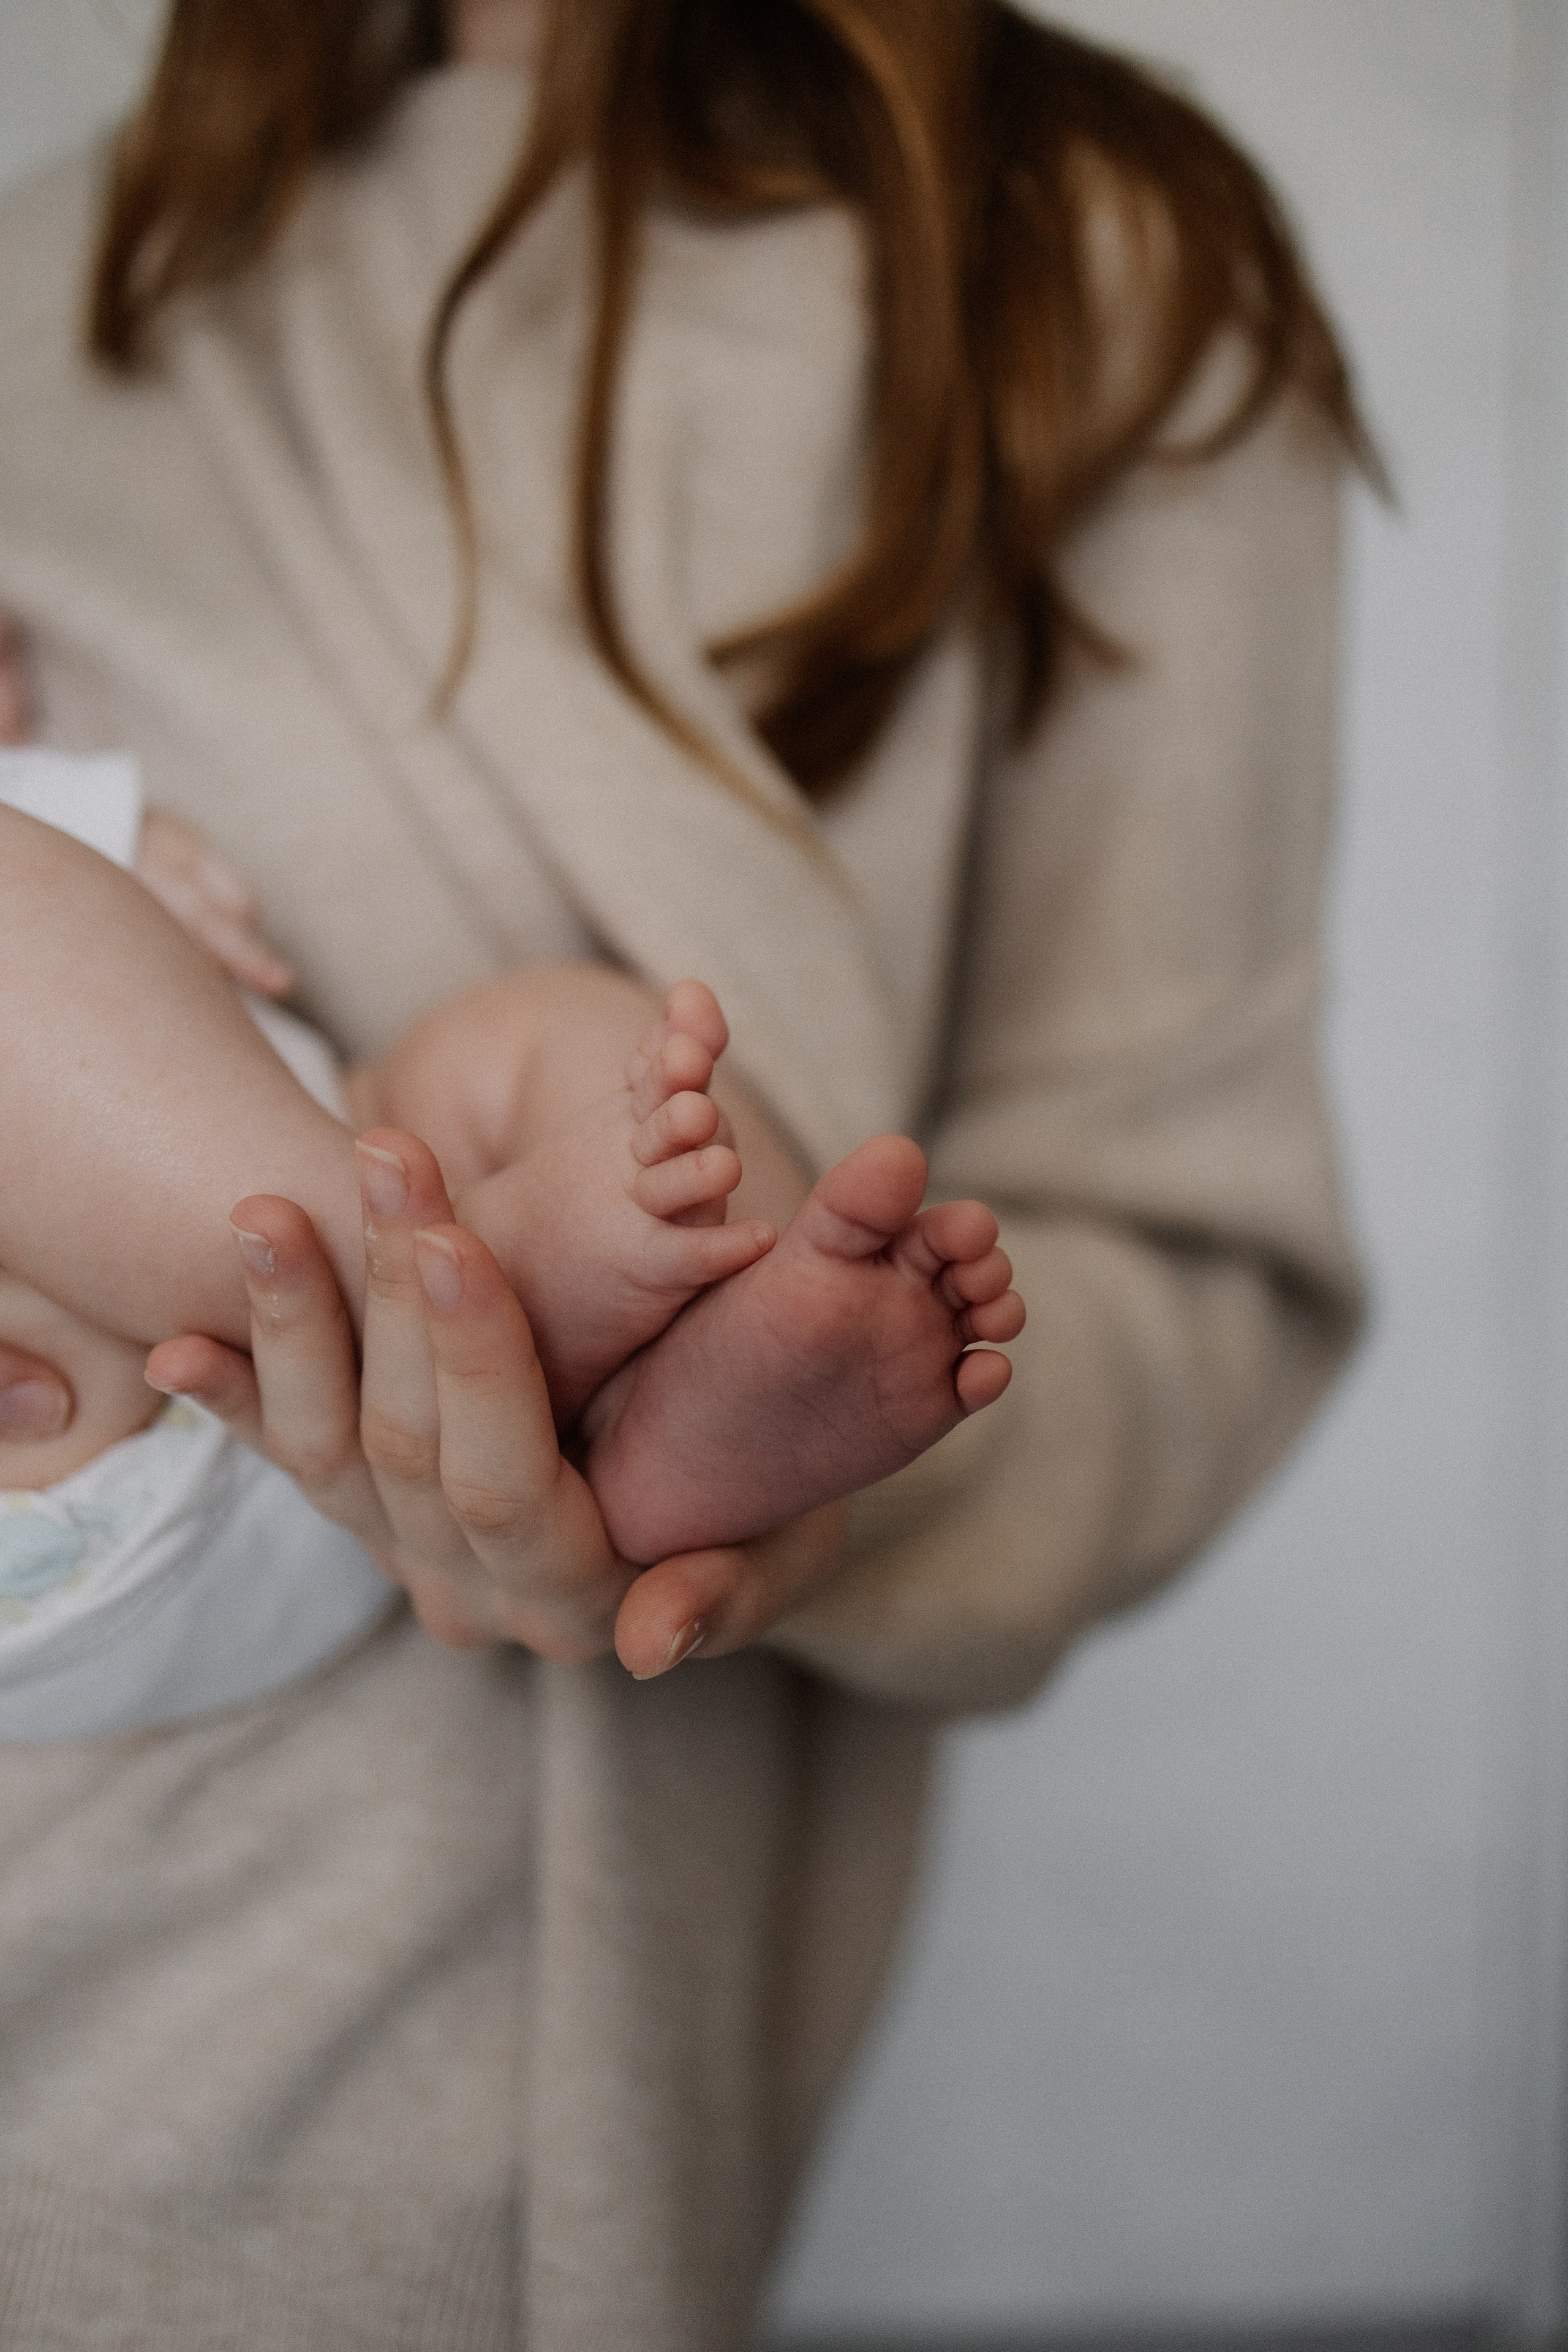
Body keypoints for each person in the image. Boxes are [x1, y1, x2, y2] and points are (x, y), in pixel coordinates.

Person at [0, 1, 1368, 2343]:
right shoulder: (66, 271)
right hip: (84, 1610)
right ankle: (488, 1319)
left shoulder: (1068, 252)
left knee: (576, 1061)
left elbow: (1176, 1255)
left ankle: (540, 1342)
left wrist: (851, 1512)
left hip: (417, 1985)